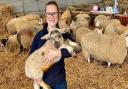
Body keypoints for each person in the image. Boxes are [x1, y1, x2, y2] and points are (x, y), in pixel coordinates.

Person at [29, 1, 74, 89]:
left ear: (58, 14)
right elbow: (31, 56)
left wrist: (58, 52)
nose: (52, 16)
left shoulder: (63, 34)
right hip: (43, 81)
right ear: (45, 15)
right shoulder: (39, 36)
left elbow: (75, 49)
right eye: (49, 13)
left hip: (59, 80)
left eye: (54, 13)